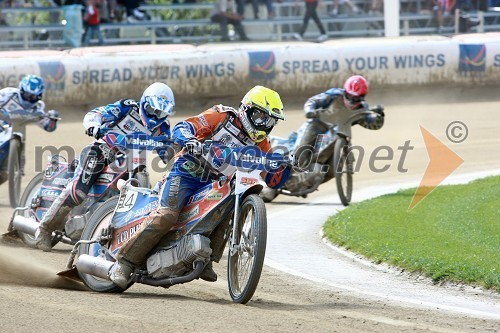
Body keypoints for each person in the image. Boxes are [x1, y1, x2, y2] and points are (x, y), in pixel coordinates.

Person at [108, 85, 292, 288]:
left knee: (231, 203)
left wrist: (283, 166)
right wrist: (190, 140)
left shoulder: (262, 143)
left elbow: (273, 179)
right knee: (167, 215)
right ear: (247, 110)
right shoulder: (222, 117)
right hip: (187, 172)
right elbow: (183, 127)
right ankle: (124, 263)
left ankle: (206, 258)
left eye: (270, 121)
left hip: (216, 184)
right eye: (261, 118)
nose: (264, 125)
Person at [34, 82, 176, 251]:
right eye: (153, 110)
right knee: (78, 192)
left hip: (136, 164)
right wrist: (94, 125)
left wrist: (175, 155)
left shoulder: (163, 128)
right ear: (144, 103)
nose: (156, 116)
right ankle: (44, 229)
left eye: (161, 113)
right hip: (104, 151)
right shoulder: (127, 108)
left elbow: (167, 153)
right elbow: (98, 113)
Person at [286, 75, 384, 190]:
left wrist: (380, 116)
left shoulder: (362, 108)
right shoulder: (334, 94)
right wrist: (310, 111)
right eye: (349, 96)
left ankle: (304, 183)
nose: (352, 100)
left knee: (332, 171)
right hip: (317, 125)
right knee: (300, 155)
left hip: (339, 134)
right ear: (345, 92)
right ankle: (281, 174)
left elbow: (372, 124)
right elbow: (313, 101)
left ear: (363, 97)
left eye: (356, 98)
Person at [0, 75, 59, 184]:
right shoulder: (6, 94)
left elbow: (48, 127)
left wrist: (52, 119)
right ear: (21, 90)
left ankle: (13, 166)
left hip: (12, 134)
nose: (29, 99)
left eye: (33, 97)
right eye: (27, 95)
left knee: (5, 174)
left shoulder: (37, 107)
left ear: (39, 96)